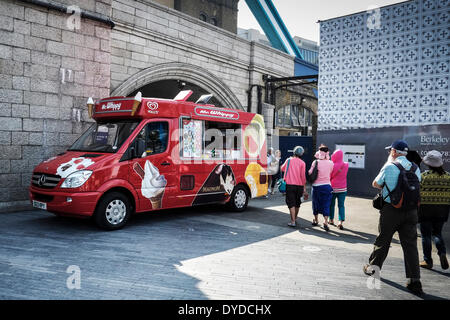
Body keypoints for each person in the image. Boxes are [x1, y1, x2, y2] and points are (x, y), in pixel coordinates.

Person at [364, 140, 423, 295]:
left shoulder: (390, 166)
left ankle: (373, 269)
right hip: (411, 211)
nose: (390, 152)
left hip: (391, 210)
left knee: (383, 240)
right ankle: (414, 281)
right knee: (410, 245)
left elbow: (375, 183)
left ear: (394, 152)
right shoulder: (416, 168)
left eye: (390, 150)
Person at [418, 150, 450, 271]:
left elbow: (417, 193)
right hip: (442, 208)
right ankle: (442, 252)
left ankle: (427, 261)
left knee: (426, 235)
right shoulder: (448, 176)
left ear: (428, 164)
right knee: (437, 233)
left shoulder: (423, 176)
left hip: (426, 208)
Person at [280, 146, 308, 227]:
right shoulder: (303, 163)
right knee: (297, 203)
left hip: (290, 185)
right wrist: (304, 188)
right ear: (301, 154)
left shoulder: (288, 160)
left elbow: (282, 168)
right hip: (299, 186)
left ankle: (292, 221)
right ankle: (295, 219)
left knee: (291, 203)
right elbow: (303, 177)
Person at [309, 144, 334, 231]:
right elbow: (330, 173)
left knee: (315, 204)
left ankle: (316, 220)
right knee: (326, 204)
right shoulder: (331, 163)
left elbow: (310, 172)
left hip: (316, 187)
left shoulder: (315, 162)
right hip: (327, 186)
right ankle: (325, 222)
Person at [329, 149, 349, 230]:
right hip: (343, 189)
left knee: (331, 205)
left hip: (333, 188)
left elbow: (330, 176)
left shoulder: (332, 165)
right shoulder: (346, 165)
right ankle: (340, 222)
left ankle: (331, 220)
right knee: (341, 206)